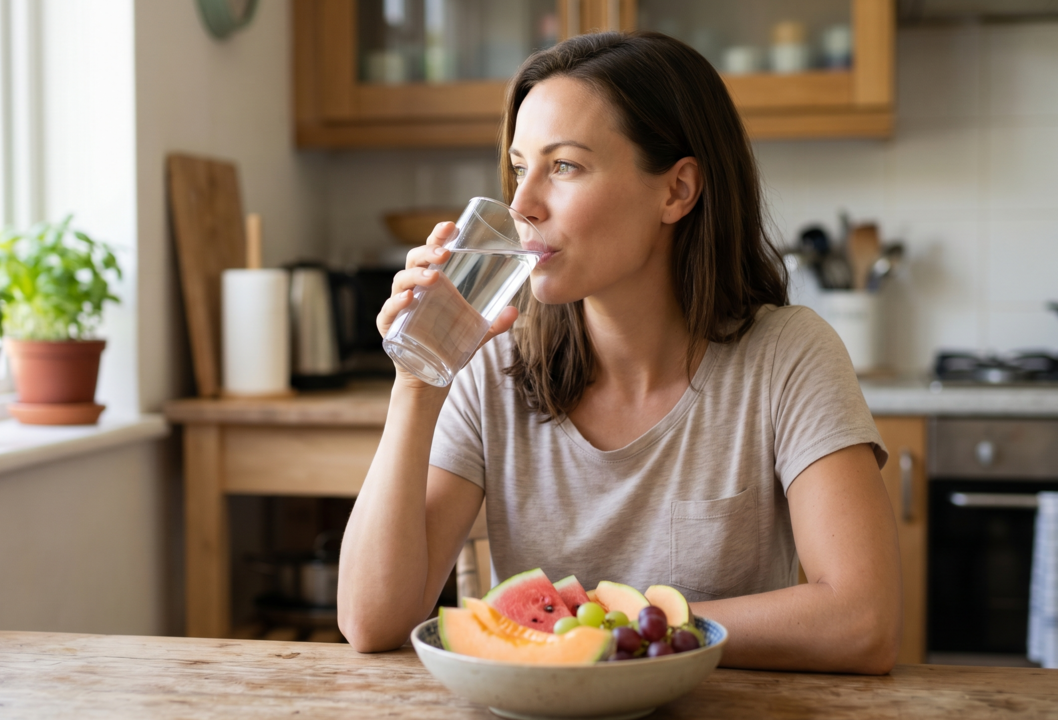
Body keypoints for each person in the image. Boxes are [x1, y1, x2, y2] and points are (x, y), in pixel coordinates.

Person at [337, 31, 901, 675]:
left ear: (676, 191)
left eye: (565, 166)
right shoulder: (490, 364)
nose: (522, 206)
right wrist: (417, 381)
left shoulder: (788, 357)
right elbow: (369, 621)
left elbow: (863, 622)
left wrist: (607, 631)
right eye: (521, 168)